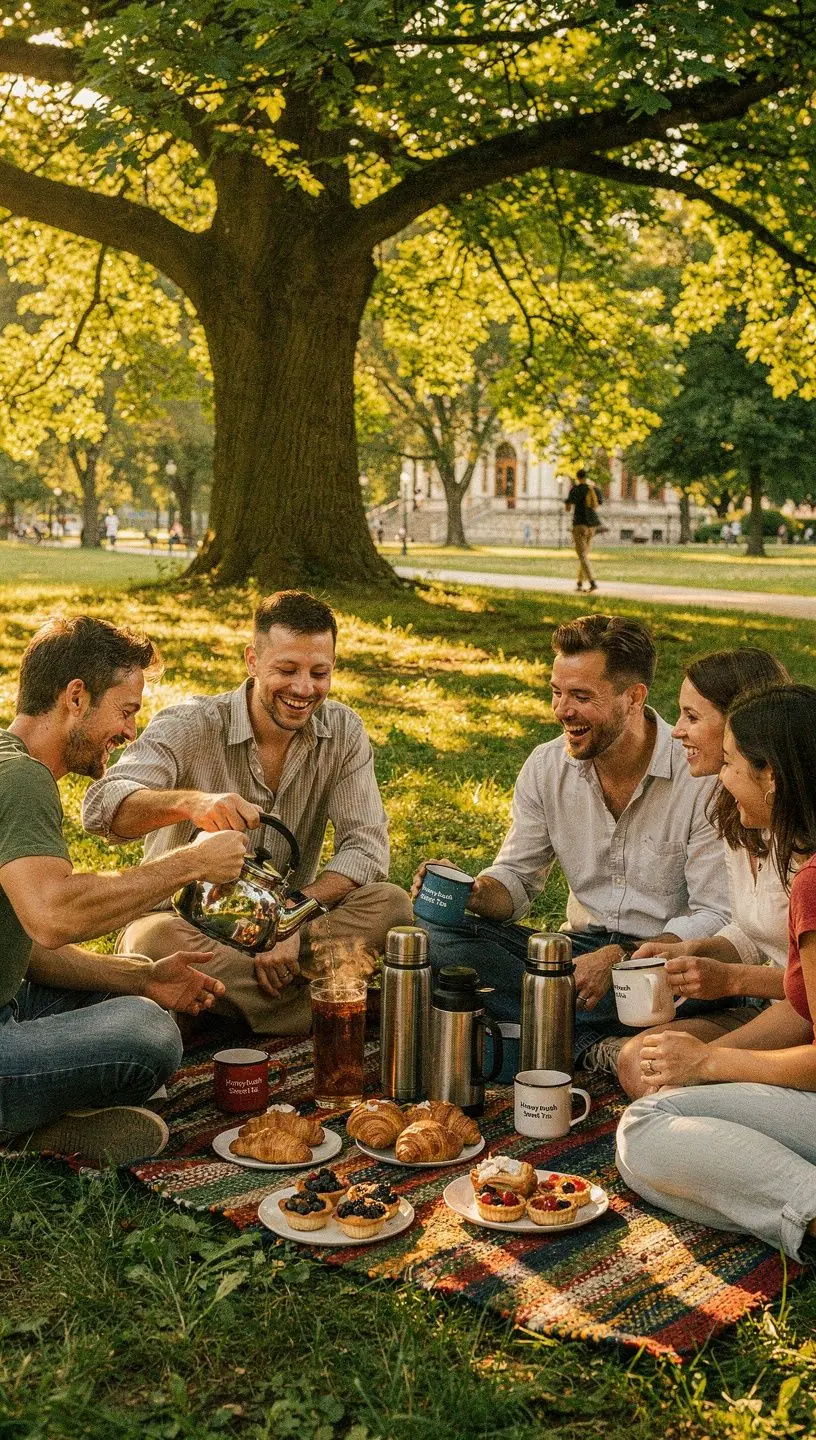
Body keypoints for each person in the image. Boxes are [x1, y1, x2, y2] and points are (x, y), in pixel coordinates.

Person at [83, 590, 412, 1034]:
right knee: (152, 941)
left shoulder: (343, 730)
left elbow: (367, 848)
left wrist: (288, 920)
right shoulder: (191, 723)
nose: (304, 689)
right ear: (252, 661)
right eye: (287, 670)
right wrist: (192, 803)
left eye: (320, 673)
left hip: (290, 929)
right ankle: (328, 1007)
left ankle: (218, 1009)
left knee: (390, 905)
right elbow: (103, 807)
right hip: (186, 925)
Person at [412, 615, 730, 1065]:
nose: (562, 710)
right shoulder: (546, 768)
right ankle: (589, 1038)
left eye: (581, 696)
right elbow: (517, 880)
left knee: (683, 983)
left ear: (633, 697)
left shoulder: (699, 776)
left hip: (664, 959)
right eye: (556, 692)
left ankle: (550, 1031)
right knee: (435, 937)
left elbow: (715, 916)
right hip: (576, 958)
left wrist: (621, 957)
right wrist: (474, 892)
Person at [0, 617, 247, 1165]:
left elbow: (26, 949)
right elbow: (53, 917)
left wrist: (142, 976)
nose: (130, 732)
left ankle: (39, 1124)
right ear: (76, 698)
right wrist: (192, 862)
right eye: (126, 710)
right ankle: (26, 1132)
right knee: (147, 1031)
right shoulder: (21, 780)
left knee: (133, 995)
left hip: (8, 1000)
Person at [616, 684, 816, 1261]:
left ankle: (808, 1209)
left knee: (646, 1125)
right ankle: (791, 1209)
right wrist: (704, 1060)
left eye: (730, 764)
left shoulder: (812, 884)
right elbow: (802, 1007)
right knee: (654, 1170)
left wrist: (709, 1063)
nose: (722, 779)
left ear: (771, 775)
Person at [615, 648, 791, 1097]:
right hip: (776, 1008)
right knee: (641, 1061)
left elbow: (805, 987)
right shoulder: (739, 812)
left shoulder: (800, 844)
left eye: (692, 717)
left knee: (666, 1079)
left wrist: (730, 980)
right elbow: (753, 929)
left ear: (740, 724)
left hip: (797, 1013)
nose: (676, 731)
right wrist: (691, 951)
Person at [564, 468, 600, 592]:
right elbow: (597, 504)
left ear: (577, 477)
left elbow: (568, 508)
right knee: (584, 555)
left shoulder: (575, 489)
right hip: (592, 525)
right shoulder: (592, 489)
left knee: (582, 555)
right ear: (586, 477)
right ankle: (579, 582)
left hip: (579, 525)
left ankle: (592, 582)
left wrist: (568, 502)